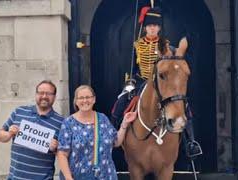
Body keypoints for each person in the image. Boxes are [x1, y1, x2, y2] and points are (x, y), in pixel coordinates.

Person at [111, 6, 202, 158]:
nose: (152, 28)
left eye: (155, 25)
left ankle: (190, 143)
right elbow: (132, 67)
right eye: (149, 26)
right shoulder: (137, 46)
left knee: (184, 107)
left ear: (159, 28)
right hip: (141, 81)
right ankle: (113, 136)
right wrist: (131, 81)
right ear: (145, 27)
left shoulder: (167, 46)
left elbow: (174, 67)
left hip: (162, 83)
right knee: (120, 103)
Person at [57, 85, 136, 180]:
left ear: (94, 99)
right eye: (81, 98)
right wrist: (68, 178)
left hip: (106, 176)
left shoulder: (102, 119)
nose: (85, 100)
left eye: (88, 97)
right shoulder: (68, 123)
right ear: (76, 101)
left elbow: (116, 142)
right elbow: (62, 154)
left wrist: (125, 123)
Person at [0, 80, 64, 180]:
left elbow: (64, 154)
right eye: (41, 92)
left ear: (54, 97)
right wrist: (9, 134)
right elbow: (1, 136)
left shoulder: (61, 122)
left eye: (49, 93)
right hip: (15, 177)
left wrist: (55, 148)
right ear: (36, 94)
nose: (44, 96)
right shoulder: (19, 111)